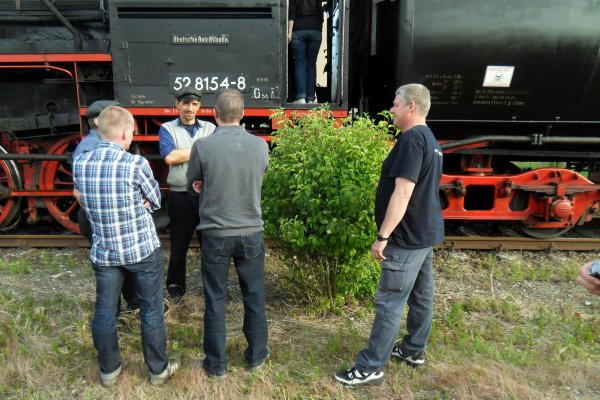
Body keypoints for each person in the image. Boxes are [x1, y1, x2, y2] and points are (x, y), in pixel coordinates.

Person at [335, 84, 444, 387]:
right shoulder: (430, 138)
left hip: (406, 237)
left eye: (396, 104)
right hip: (424, 234)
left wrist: (383, 235)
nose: (392, 109)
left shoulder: (411, 139)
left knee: (390, 302)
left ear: (411, 107)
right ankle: (413, 351)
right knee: (421, 296)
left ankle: (371, 367)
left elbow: (404, 190)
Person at [73, 106, 178, 387]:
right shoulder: (136, 164)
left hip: (105, 250)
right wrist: (139, 203)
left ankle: (109, 370)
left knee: (105, 311)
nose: (131, 138)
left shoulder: (82, 163)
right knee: (151, 310)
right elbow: (155, 200)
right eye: (131, 132)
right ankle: (158, 370)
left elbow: (83, 200)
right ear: (123, 133)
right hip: (140, 249)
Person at [186, 89, 269, 378]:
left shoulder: (203, 146)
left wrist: (202, 185)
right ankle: (257, 356)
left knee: (215, 298)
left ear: (213, 114)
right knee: (255, 295)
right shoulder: (260, 146)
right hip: (251, 231)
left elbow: (192, 182)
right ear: (243, 113)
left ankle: (216, 364)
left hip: (215, 233)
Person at [74, 100, 139, 313]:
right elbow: (78, 191)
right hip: (98, 218)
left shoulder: (97, 145)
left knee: (119, 266)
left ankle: (131, 304)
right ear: (97, 121)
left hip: (103, 216)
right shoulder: (89, 148)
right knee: (111, 269)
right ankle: (116, 313)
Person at [159, 88, 216, 299]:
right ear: (177, 104)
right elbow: (170, 157)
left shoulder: (210, 128)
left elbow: (215, 156)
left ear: (199, 106)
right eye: (185, 103)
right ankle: (175, 289)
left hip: (206, 196)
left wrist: (185, 153)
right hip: (180, 194)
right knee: (178, 246)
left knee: (209, 247)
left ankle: (211, 289)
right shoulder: (167, 129)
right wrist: (201, 150)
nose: (189, 108)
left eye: (194, 104)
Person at [288, 0, 324, 104]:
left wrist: (289, 32)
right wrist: (318, 27)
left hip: (298, 29)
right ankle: (310, 98)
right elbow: (321, 13)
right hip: (315, 30)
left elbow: (292, 14)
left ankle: (300, 97)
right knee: (311, 64)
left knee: (300, 63)